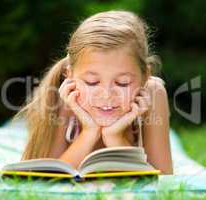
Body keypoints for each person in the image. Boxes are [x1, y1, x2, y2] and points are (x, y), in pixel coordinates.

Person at [16, 10, 173, 174]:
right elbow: (46, 177)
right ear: (70, 76)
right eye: (92, 82)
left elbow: (163, 180)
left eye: (122, 83)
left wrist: (115, 137)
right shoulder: (66, 98)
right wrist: (89, 132)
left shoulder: (153, 94)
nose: (106, 94)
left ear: (145, 77)